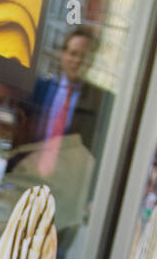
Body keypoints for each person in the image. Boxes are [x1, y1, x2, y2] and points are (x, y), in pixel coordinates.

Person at [13, 27, 113, 173]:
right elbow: (20, 134)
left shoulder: (99, 101)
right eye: (73, 54)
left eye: (84, 56)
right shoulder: (38, 89)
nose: (77, 61)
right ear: (63, 55)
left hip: (68, 181)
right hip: (29, 172)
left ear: (91, 61)